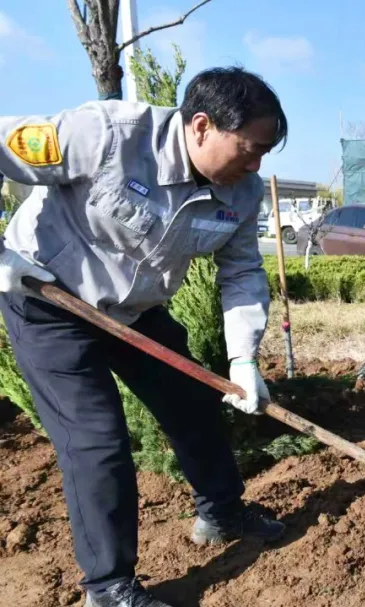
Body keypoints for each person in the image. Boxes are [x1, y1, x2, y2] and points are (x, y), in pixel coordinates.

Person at [0, 67, 289, 606]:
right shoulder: (107, 134)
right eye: (250, 149)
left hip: (133, 311)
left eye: (264, 154)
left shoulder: (243, 192)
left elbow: (242, 272)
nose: (255, 166)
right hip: (48, 300)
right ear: (201, 126)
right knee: (96, 441)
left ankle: (222, 514)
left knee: (193, 403)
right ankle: (108, 588)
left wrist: (243, 359)